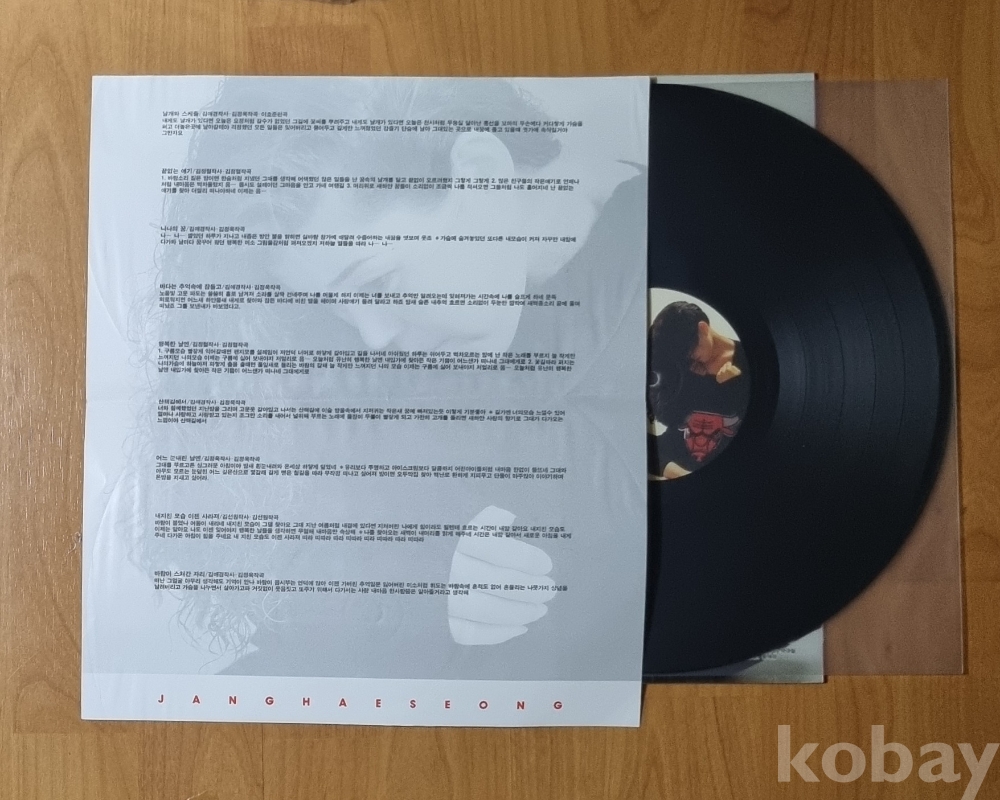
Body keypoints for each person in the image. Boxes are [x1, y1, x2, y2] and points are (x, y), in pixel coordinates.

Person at [647, 300, 750, 479]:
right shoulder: (682, 364)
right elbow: (667, 417)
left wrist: (735, 385)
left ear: (703, 328)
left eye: (691, 349)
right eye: (685, 355)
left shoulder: (748, 361)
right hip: (674, 465)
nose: (691, 357)